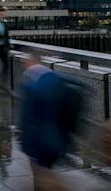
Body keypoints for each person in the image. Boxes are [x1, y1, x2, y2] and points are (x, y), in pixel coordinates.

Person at [20, 53, 76, 190]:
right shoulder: (58, 80)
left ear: (30, 63)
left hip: (40, 140)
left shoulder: (31, 85)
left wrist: (24, 142)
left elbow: (26, 117)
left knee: (41, 175)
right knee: (48, 170)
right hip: (59, 138)